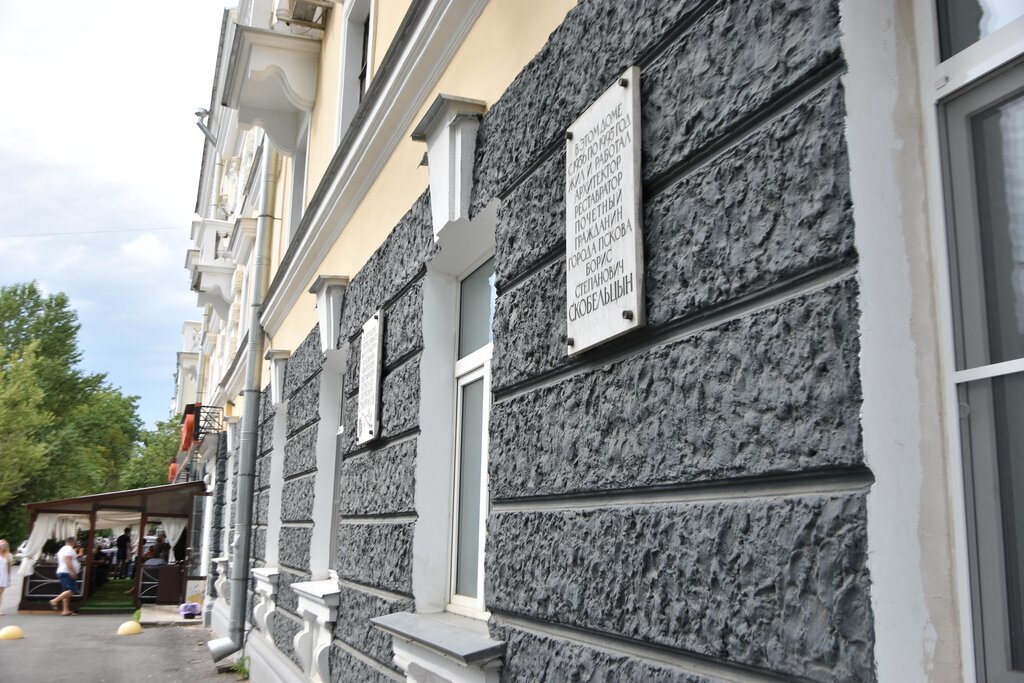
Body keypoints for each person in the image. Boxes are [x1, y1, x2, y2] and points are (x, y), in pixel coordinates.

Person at [49, 536, 80, 616]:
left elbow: (70, 559)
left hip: (63, 571)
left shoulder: (63, 549)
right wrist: (73, 572)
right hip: (67, 572)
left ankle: (65, 610)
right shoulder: (68, 549)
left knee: (66, 591)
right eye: (75, 542)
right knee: (72, 590)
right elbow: (68, 560)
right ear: (72, 542)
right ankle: (55, 600)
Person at [0, 539, 13, 615]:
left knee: (0, 593)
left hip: (3, 575)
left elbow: (9, 567)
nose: (3, 545)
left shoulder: (8, 555)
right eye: (1, 543)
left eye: (4, 544)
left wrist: (9, 577)